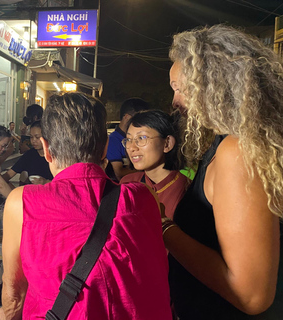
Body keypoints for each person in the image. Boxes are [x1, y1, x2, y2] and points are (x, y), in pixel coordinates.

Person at [0, 93, 172, 319]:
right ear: (104, 149)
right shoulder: (142, 197)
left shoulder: (22, 202)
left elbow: (14, 296)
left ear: (46, 149)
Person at [164, 24, 283, 319]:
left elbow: (251, 295)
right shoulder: (234, 145)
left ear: (215, 83)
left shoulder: (238, 152)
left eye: (180, 88)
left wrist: (163, 226)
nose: (175, 101)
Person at [120, 110, 189, 219]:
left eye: (141, 138)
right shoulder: (127, 184)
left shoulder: (186, 190)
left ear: (167, 143)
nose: (132, 147)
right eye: (129, 139)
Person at [106, 98, 150, 181]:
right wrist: (146, 169)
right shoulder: (113, 140)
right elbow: (118, 173)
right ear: (126, 117)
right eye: (138, 119)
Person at [0, 121, 52, 187]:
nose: (33, 140)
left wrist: (45, 182)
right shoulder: (30, 155)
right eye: (31, 137)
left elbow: (65, 183)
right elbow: (9, 174)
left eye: (37, 137)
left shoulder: (55, 156)